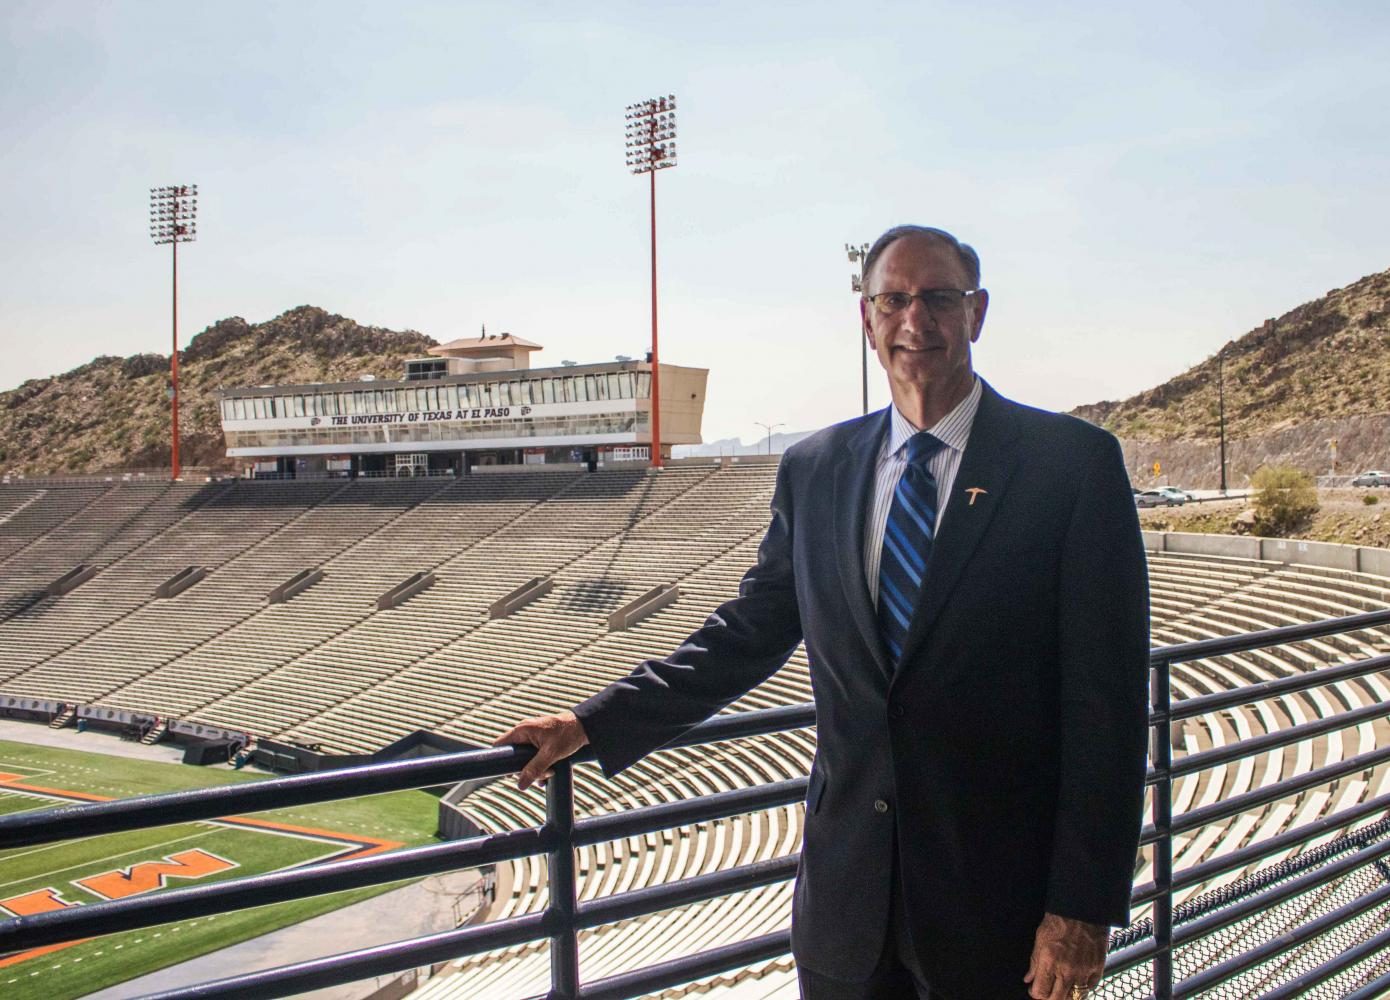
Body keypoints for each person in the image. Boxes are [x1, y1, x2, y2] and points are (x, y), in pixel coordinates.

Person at [495, 225, 1150, 999]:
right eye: (894, 300)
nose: (917, 321)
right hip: (847, 909)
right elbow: (748, 633)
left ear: (976, 313)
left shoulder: (1070, 464)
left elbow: (1105, 707)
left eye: (939, 298)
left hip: (999, 911)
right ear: (867, 319)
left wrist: (1080, 910)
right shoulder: (816, 468)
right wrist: (596, 723)